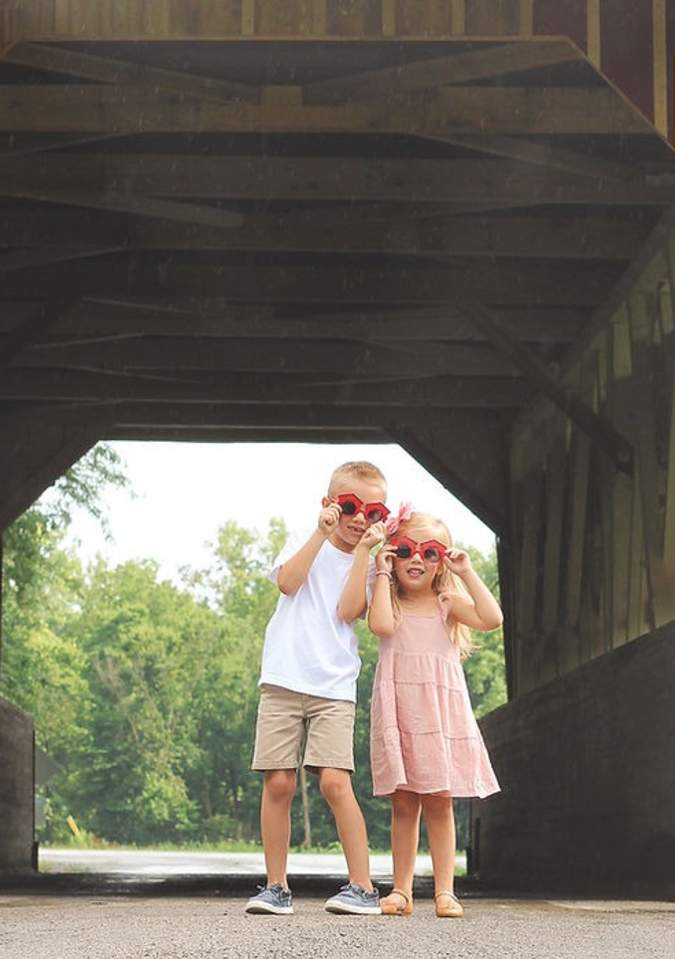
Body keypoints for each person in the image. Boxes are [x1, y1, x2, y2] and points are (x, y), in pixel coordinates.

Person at [245, 461, 388, 916]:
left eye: (372, 510)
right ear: (329, 506)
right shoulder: (306, 537)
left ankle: (363, 887)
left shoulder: (369, 560)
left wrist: (365, 552)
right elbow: (288, 583)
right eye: (349, 506)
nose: (358, 517)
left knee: (334, 781)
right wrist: (319, 535)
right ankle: (276, 886)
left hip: (333, 683)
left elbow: (349, 612)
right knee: (279, 781)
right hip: (284, 676)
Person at [368, 506, 502, 919]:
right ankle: (402, 891)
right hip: (401, 710)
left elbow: (492, 618)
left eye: (430, 553)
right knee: (404, 803)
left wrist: (465, 571)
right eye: (406, 549)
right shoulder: (387, 597)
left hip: (439, 716)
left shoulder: (448, 602)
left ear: (441, 560)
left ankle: (446, 891)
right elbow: (382, 628)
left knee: (440, 802)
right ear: (393, 553)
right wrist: (382, 571)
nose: (417, 560)